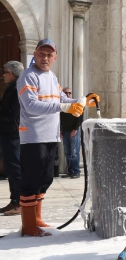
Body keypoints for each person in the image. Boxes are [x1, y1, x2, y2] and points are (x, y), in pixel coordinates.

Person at [16, 39, 99, 236]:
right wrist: (63, 107)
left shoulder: (52, 77)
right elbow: (31, 106)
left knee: (45, 178)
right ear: (35, 55)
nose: (45, 58)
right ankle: (28, 226)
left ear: (55, 57)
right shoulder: (28, 76)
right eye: (41, 54)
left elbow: (62, 99)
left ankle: (36, 219)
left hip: (51, 135)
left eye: (49, 55)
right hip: (34, 136)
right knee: (31, 179)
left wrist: (82, 101)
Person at [0, 61, 25, 216]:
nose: (3, 75)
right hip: (8, 133)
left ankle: (19, 202)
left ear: (11, 73)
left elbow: (12, 112)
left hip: (13, 134)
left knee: (15, 169)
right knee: (10, 168)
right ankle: (14, 200)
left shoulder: (17, 88)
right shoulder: (12, 87)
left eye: (4, 72)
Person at [59, 87, 82, 178]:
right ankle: (70, 171)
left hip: (73, 131)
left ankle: (76, 171)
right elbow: (59, 119)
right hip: (65, 131)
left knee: (75, 152)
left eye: (69, 93)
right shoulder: (61, 105)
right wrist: (60, 130)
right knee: (67, 152)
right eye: (66, 93)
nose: (68, 94)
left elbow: (79, 118)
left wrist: (75, 129)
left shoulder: (75, 104)